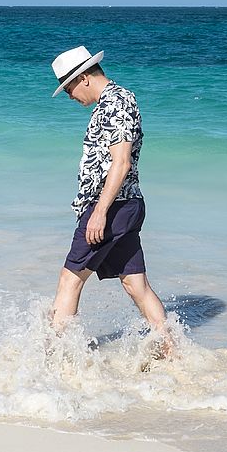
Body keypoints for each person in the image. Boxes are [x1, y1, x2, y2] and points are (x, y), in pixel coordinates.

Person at [48, 44, 171, 359]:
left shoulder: (115, 103)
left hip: (112, 207)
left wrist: (99, 212)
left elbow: (121, 162)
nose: (69, 96)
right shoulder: (112, 103)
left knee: (70, 278)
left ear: (85, 77)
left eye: (69, 87)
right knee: (135, 285)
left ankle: (58, 359)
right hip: (124, 206)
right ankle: (172, 350)